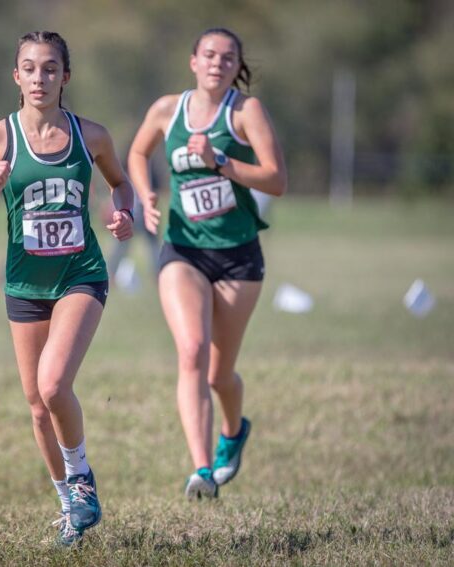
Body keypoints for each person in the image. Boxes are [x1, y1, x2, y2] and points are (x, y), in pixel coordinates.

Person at [0, 31, 134, 545]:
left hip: (81, 274)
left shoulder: (91, 135)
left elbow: (121, 183)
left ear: (65, 77)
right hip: (25, 283)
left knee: (54, 385)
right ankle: (70, 509)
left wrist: (124, 214)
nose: (39, 78)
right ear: (16, 76)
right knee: (36, 406)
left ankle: (82, 480)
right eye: (29, 68)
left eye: (50, 68)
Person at [128, 27, 286, 500]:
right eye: (210, 54)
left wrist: (221, 161)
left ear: (238, 67)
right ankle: (201, 470)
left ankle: (233, 432)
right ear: (193, 61)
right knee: (192, 350)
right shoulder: (165, 110)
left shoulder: (245, 111)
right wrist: (146, 192)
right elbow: (138, 151)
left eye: (229, 57)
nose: (218, 62)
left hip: (238, 255)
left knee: (220, 374)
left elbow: (276, 180)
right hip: (183, 249)